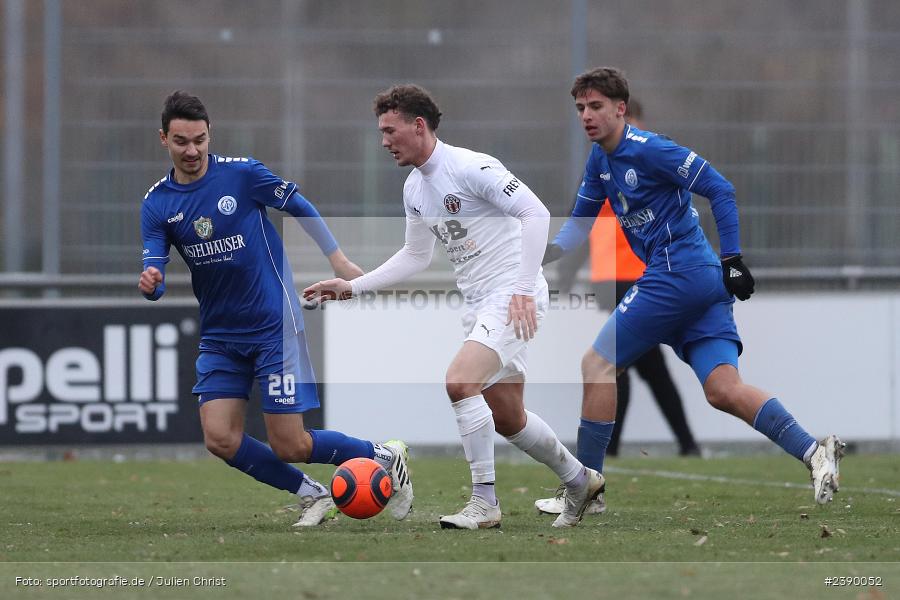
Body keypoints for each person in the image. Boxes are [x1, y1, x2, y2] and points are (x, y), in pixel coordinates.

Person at [538, 67, 843, 516]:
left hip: (676, 274)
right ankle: (814, 452)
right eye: (581, 107)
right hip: (697, 282)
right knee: (723, 389)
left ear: (621, 109)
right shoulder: (600, 161)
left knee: (597, 364)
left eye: (596, 106)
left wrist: (734, 258)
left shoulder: (652, 150)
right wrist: (538, 254)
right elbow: (578, 227)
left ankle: (586, 490)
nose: (586, 115)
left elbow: (720, 187)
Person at [304, 84, 604, 529]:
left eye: (390, 131)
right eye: (381, 132)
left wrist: (522, 286)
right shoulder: (414, 188)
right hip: (481, 303)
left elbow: (536, 214)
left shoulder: (471, 166)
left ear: (418, 125)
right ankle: (580, 481)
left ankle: (485, 503)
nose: (384, 141)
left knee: (459, 382)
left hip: (512, 296)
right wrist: (353, 288)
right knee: (508, 417)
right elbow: (416, 256)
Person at [139, 91, 413, 527]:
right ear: (163, 139)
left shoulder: (243, 175)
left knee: (291, 444)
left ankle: (384, 454)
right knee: (221, 438)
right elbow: (152, 267)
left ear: (210, 135)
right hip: (221, 336)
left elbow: (298, 205)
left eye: (199, 140)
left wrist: (338, 259)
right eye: (181, 141)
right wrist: (151, 282)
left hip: (274, 326)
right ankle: (313, 495)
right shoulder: (157, 204)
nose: (192, 151)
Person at [551, 99, 700, 463]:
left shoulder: (649, 165)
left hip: (643, 275)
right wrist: (567, 273)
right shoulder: (602, 167)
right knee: (637, 368)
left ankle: (620, 447)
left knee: (624, 367)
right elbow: (583, 224)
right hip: (612, 280)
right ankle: (683, 444)